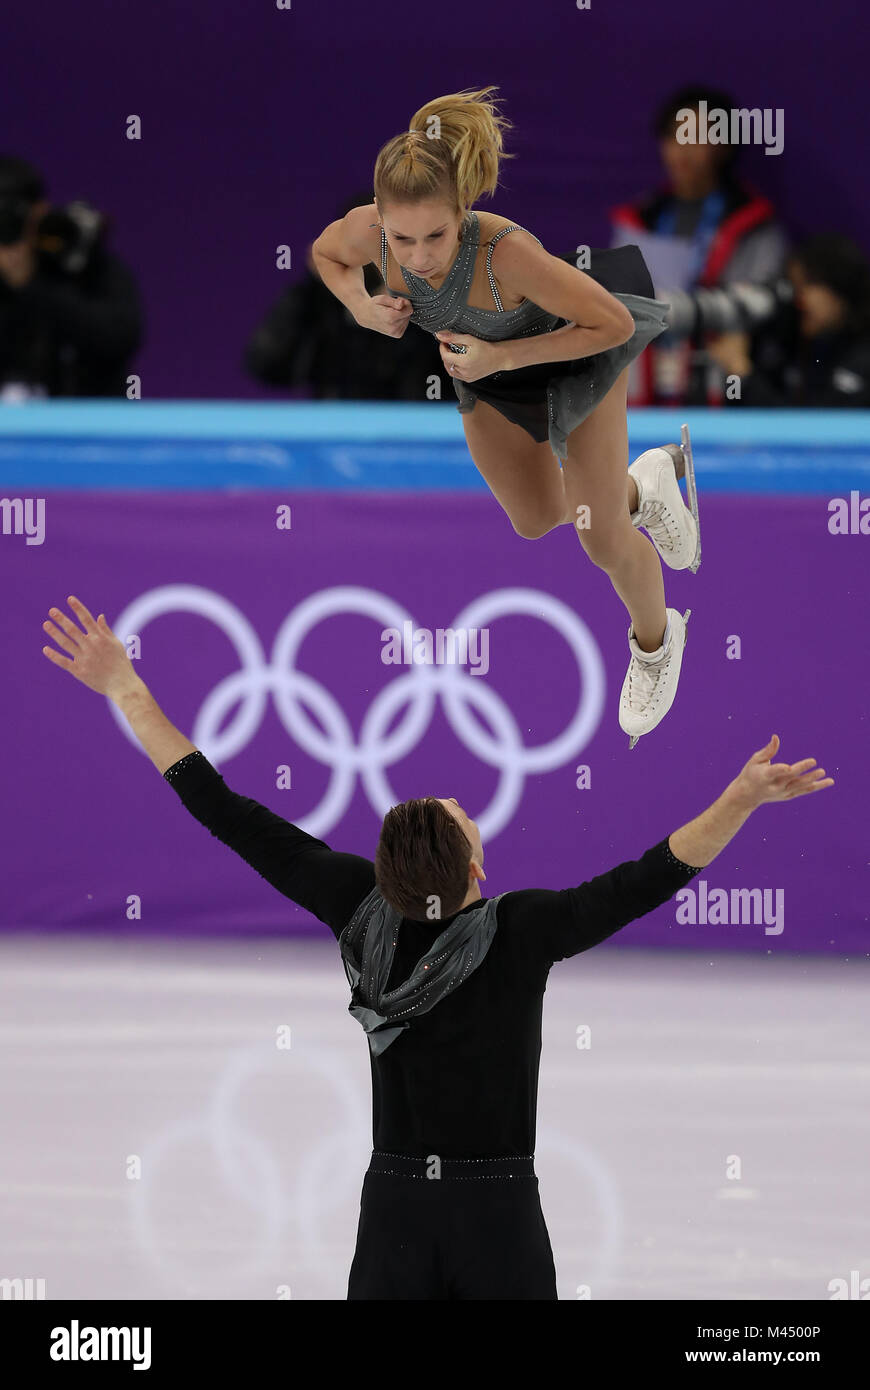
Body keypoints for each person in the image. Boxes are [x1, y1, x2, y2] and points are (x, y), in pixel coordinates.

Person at [41, 595, 834, 1301]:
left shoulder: (357, 907)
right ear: (478, 868)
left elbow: (221, 807)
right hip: (498, 1216)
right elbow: (649, 877)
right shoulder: (522, 931)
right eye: (456, 811)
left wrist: (126, 689)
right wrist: (738, 801)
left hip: (394, 1215)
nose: (455, 799)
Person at [311, 86, 701, 750]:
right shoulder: (369, 232)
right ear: (381, 219)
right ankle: (647, 486)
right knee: (534, 518)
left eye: (436, 234)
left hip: (574, 355)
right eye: (402, 239)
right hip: (488, 369)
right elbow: (325, 253)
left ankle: (656, 642)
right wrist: (360, 304)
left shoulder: (505, 254)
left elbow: (607, 324)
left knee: (600, 535)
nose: (419, 255)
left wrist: (504, 354)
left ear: (462, 212)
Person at [610, 84, 789, 407]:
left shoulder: (754, 223)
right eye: (673, 135)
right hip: (644, 390)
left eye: (695, 135)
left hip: (722, 389)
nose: (683, 149)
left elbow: (761, 301)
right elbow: (615, 302)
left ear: (723, 145)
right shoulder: (639, 218)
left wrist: (663, 309)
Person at [244, 189, 455, 401]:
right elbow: (266, 364)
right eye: (357, 248)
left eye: (382, 246)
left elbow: (468, 378)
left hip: (418, 426)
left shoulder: (434, 296)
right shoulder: (318, 299)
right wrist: (313, 289)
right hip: (335, 427)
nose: (367, 259)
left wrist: (424, 309)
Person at [0, 155, 143, 398]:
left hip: (88, 426)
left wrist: (30, 285)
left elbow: (120, 338)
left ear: (40, 210)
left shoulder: (83, 261)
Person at [706, 235, 870, 407]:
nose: (797, 300)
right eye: (794, 287)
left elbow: (816, 429)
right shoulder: (792, 342)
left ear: (839, 289)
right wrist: (735, 376)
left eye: (806, 285)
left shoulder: (863, 356)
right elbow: (737, 408)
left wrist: (742, 372)